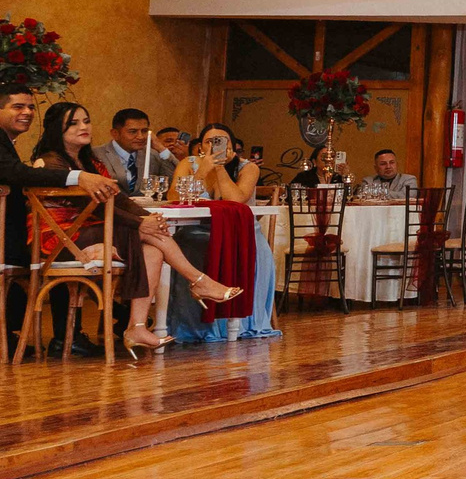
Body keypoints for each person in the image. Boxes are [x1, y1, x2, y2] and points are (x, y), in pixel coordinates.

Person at [28, 102, 238, 355]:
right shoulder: (50, 162)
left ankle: (136, 326)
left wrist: (148, 217)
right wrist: (142, 223)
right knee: (146, 233)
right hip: (61, 239)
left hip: (94, 230)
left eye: (86, 121)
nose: (83, 127)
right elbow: (92, 206)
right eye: (74, 123)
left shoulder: (89, 161)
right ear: (55, 129)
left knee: (153, 250)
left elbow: (119, 199)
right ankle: (198, 280)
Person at [4, 89, 126, 358]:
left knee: (96, 239)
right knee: (89, 239)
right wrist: (77, 177)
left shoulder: (88, 160)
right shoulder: (49, 160)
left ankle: (121, 319)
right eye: (17, 107)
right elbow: (16, 174)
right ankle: (126, 319)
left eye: (29, 107)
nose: (26, 112)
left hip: (27, 234)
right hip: (23, 238)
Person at [163, 125, 281, 342]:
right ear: (200, 146)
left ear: (232, 146)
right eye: (209, 141)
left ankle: (241, 324)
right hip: (196, 232)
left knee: (250, 246)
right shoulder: (187, 164)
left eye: (221, 141)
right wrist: (202, 171)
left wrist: (218, 168)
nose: (214, 146)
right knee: (183, 245)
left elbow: (235, 199)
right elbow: (175, 197)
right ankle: (192, 326)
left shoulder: (248, 168)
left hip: (242, 234)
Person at [103, 109, 172, 194]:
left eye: (144, 131)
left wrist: (161, 148)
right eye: (133, 132)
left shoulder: (153, 155)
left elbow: (175, 181)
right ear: (115, 133)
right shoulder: (96, 154)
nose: (141, 137)